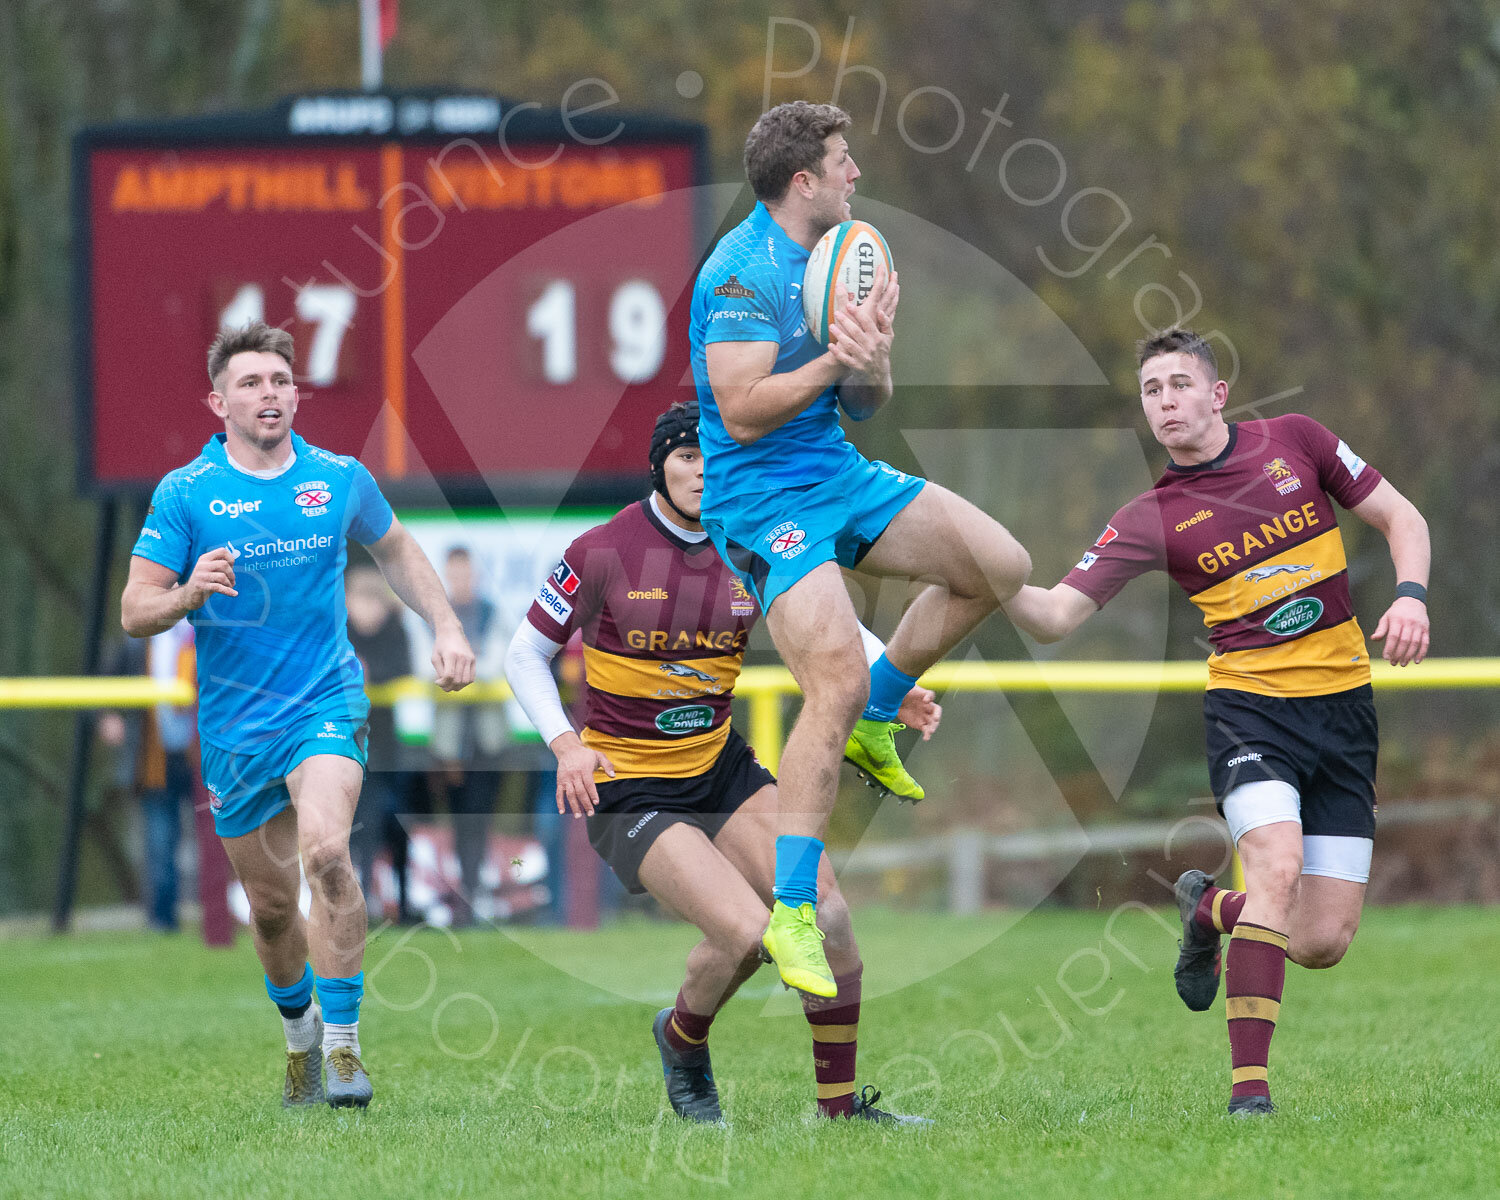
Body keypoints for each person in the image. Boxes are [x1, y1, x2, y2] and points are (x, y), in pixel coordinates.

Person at [1001, 326, 1430, 1116]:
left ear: (1217, 393)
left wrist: (1410, 594)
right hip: (1251, 715)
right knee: (1275, 865)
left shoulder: (1296, 443)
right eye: (1151, 392)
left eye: (1178, 385)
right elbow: (1056, 614)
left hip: (1344, 716)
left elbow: (1404, 518)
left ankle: (1208, 908)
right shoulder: (1151, 516)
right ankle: (1249, 1097)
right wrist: (983, 570)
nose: (1165, 402)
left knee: (1320, 941)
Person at [504, 402, 939, 1125]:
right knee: (745, 935)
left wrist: (893, 679)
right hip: (634, 788)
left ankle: (839, 1111)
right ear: (659, 466)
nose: (703, 472)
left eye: (712, 456)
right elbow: (524, 652)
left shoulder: (752, 541)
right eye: (685, 457)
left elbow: (829, 617)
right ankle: (682, 1041)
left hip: (721, 770)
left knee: (826, 914)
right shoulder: (603, 550)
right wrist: (564, 743)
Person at [689, 101, 1031, 997]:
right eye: (844, 161)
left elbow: (867, 404)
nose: (856, 174)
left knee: (1000, 566)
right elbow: (740, 410)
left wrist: (871, 357)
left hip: (836, 471)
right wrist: (836, 362)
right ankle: (793, 910)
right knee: (828, 681)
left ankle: (882, 711)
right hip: (760, 503)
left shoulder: (848, 258)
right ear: (803, 180)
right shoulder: (739, 271)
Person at [121, 320, 475, 1109]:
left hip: (325, 700)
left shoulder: (339, 477)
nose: (269, 394)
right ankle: (302, 1039)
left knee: (326, 853)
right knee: (275, 910)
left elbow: (398, 552)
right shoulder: (185, 493)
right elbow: (134, 610)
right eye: (250, 383)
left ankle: (346, 1050)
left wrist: (446, 627)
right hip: (235, 728)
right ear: (219, 401)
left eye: (279, 381)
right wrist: (186, 594)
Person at [98, 621, 196, 931]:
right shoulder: (137, 640)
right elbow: (102, 685)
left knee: (221, 837)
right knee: (160, 841)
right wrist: (107, 716)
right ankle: (163, 920)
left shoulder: (205, 632)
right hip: (153, 757)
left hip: (201, 755)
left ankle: (224, 915)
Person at [431, 545, 508, 926]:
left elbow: (498, 662)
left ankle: (475, 897)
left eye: (466, 573)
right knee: (458, 821)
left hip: (487, 739)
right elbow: (424, 664)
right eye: (454, 573)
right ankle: (465, 896)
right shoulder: (437, 616)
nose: (461, 580)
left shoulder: (492, 613)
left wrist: (460, 663)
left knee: (482, 817)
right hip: (449, 742)